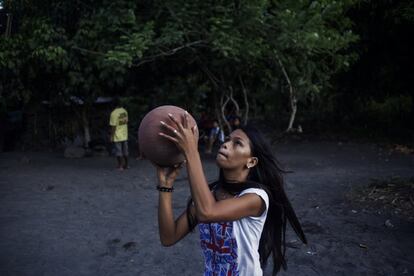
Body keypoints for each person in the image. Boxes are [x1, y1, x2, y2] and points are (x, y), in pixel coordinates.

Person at [154, 112, 307, 275]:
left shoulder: (255, 197)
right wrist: (165, 187)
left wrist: (191, 151)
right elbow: (168, 237)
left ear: (251, 161)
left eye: (237, 143)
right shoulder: (209, 196)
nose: (226, 144)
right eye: (227, 139)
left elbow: (208, 212)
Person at [109, 97, 129, 170]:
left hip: (117, 135)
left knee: (119, 151)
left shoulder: (113, 113)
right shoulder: (124, 111)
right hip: (125, 134)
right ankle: (126, 165)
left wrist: (111, 136)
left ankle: (120, 166)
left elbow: (113, 126)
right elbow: (126, 121)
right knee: (126, 151)